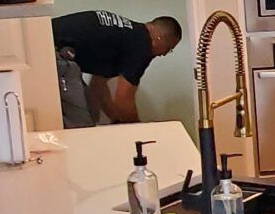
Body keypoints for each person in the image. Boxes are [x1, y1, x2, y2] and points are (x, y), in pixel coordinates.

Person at [52, 9, 182, 127]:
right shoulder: (142, 44)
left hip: (51, 43)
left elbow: (98, 87)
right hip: (51, 49)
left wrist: (116, 120)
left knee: (91, 113)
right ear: (159, 39)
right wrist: (140, 130)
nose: (164, 54)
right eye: (169, 49)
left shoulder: (125, 37)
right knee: (81, 125)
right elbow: (123, 100)